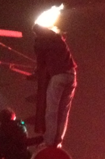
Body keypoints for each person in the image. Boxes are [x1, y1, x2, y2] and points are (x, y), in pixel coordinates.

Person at [32, 20, 76, 148]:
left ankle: (49, 142)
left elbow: (40, 64)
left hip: (58, 76)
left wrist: (37, 71)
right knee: (64, 112)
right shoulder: (58, 37)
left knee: (52, 110)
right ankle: (58, 141)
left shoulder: (39, 42)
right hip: (72, 75)